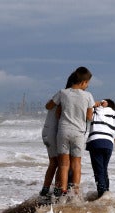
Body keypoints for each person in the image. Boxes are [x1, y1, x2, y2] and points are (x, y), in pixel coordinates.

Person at [46, 66, 96, 199]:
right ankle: (75, 193)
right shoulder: (88, 96)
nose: (88, 86)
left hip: (63, 131)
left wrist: (61, 107)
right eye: (88, 83)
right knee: (76, 164)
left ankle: (61, 192)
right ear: (83, 82)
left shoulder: (62, 93)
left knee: (63, 164)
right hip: (78, 133)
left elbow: (48, 106)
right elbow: (89, 117)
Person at [39, 73, 76, 197]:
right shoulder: (64, 95)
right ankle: (51, 190)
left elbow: (48, 107)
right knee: (59, 163)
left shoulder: (62, 96)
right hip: (52, 132)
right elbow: (53, 110)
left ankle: (50, 190)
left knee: (56, 163)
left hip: (49, 132)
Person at [86, 99, 115, 198]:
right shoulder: (114, 114)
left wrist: (94, 105)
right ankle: (106, 192)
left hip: (95, 142)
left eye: (101, 101)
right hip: (108, 143)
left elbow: (88, 116)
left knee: (98, 170)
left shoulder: (96, 111)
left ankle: (101, 194)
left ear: (105, 104)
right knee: (104, 169)